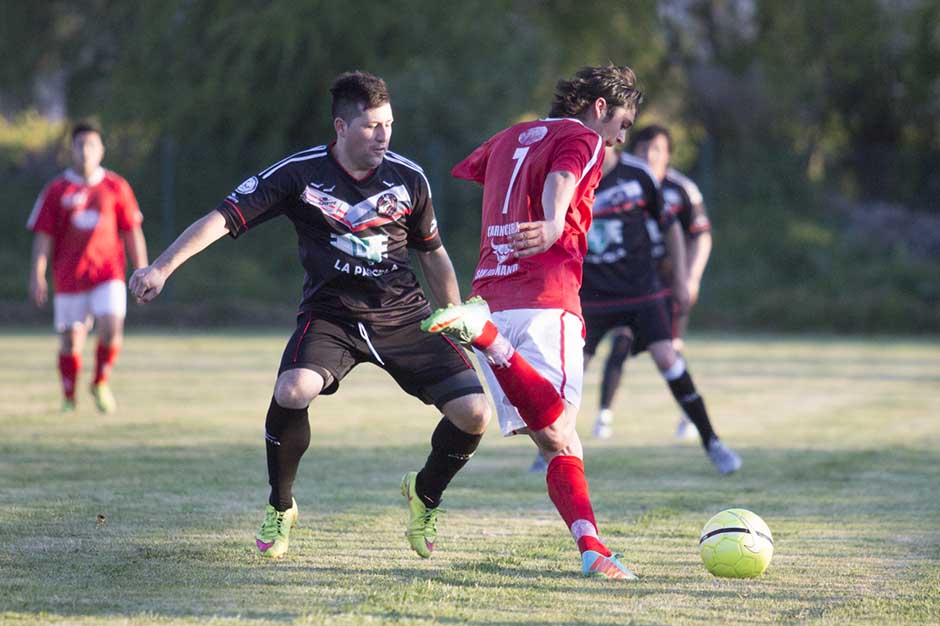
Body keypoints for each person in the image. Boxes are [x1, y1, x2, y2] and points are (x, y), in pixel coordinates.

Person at [129, 71, 490, 560]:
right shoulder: (299, 173)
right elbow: (222, 218)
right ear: (341, 127)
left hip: (404, 316)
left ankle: (424, 494)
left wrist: (452, 312)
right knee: (292, 389)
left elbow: (433, 252)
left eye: (388, 124)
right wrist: (161, 267)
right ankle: (281, 506)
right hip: (332, 317)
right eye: (371, 126)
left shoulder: (409, 178)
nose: (383, 135)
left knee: (475, 413)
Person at [422, 65, 643, 580]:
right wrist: (552, 222)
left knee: (557, 442)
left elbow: (473, 168)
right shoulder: (585, 136)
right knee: (561, 429)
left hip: (493, 291)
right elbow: (564, 176)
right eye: (623, 124)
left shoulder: (509, 136)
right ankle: (486, 338)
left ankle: (592, 550)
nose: (619, 139)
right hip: (546, 295)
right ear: (600, 107)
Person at [572, 125, 740, 474]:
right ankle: (553, 450)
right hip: (594, 294)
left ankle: (711, 440)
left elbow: (674, 228)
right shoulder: (570, 177)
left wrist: (683, 278)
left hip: (642, 291)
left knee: (668, 356)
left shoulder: (642, 178)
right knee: (572, 370)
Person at [27, 121, 149, 413]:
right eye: (80, 145)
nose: (85, 151)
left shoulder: (116, 186)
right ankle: (69, 397)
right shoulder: (57, 189)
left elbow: (132, 231)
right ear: (71, 150)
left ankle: (100, 382)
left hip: (108, 273)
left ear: (102, 150)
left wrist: (143, 270)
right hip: (69, 277)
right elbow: (43, 237)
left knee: (112, 327)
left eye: (91, 145)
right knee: (71, 342)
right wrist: (37, 275)